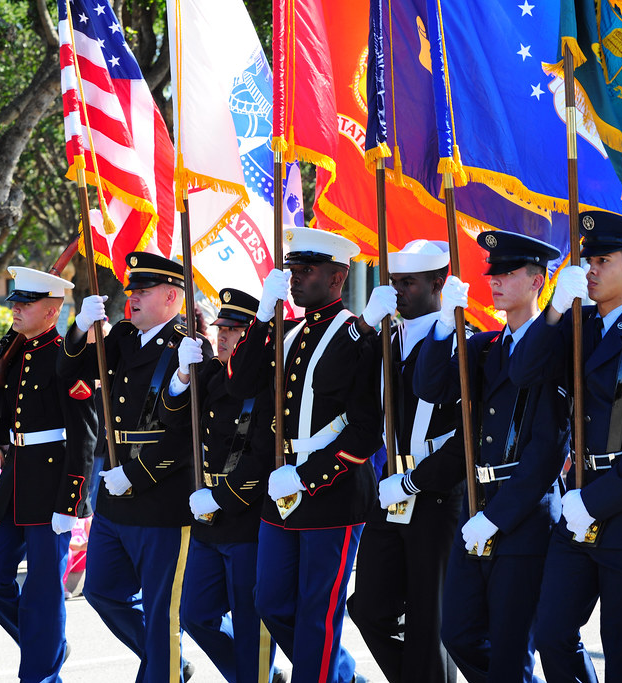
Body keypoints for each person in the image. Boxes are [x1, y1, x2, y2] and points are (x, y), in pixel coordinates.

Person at [509, 212, 622, 682]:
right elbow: (522, 372)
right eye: (588, 260)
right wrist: (554, 310)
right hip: (577, 503)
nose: (592, 270)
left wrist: (593, 503)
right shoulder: (576, 324)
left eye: (604, 261)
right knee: (552, 634)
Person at [225, 228, 383, 683]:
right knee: (270, 601)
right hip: (281, 488)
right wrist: (261, 317)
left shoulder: (360, 335)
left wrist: (308, 476)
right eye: (292, 269)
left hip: (332, 492)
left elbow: (366, 430)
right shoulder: (288, 332)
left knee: (317, 614)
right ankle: (341, 676)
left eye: (306, 270)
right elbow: (240, 384)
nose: (295, 277)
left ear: (337, 278)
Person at [412, 232, 570, 682]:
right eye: (492, 273)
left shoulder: (557, 346)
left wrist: (498, 517)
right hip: (478, 505)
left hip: (523, 515)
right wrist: (444, 326)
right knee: (458, 633)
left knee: (510, 647)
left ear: (538, 280)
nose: (494, 280)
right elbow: (429, 387)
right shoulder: (485, 347)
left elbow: (548, 449)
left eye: (507, 273)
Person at [59, 252, 213, 682]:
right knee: (102, 591)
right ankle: (169, 660)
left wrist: (137, 474)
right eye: (132, 291)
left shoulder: (189, 346)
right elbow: (68, 371)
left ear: (172, 297)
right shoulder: (125, 337)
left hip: (162, 496)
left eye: (143, 291)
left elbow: (189, 433)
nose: (134, 298)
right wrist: (79, 328)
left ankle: (163, 667)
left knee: (164, 612)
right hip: (114, 491)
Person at [0, 266, 96, 683]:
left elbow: (84, 435)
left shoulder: (67, 356)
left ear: (52, 311)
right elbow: (10, 422)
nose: (15, 309)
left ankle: (41, 674)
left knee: (44, 591)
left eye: (26, 303)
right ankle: (46, 647)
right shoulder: (16, 351)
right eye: (15, 302)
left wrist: (71, 501)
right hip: (15, 479)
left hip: (52, 485)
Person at [347, 240, 463, 683]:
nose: (398, 291)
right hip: (390, 485)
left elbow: (464, 437)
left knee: (429, 622)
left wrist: (419, 480)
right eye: (394, 281)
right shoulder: (385, 337)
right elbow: (341, 386)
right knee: (369, 609)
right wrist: (363, 325)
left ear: (438, 283)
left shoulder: (460, 339)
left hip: (436, 491)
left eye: (409, 282)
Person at [162, 287, 281, 683]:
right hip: (208, 517)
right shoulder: (212, 373)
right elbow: (172, 421)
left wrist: (220, 498)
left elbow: (262, 456)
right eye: (221, 329)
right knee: (195, 613)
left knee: (251, 623)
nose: (224, 336)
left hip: (245, 513)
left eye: (234, 330)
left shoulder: (267, 381)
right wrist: (182, 376)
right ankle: (257, 676)